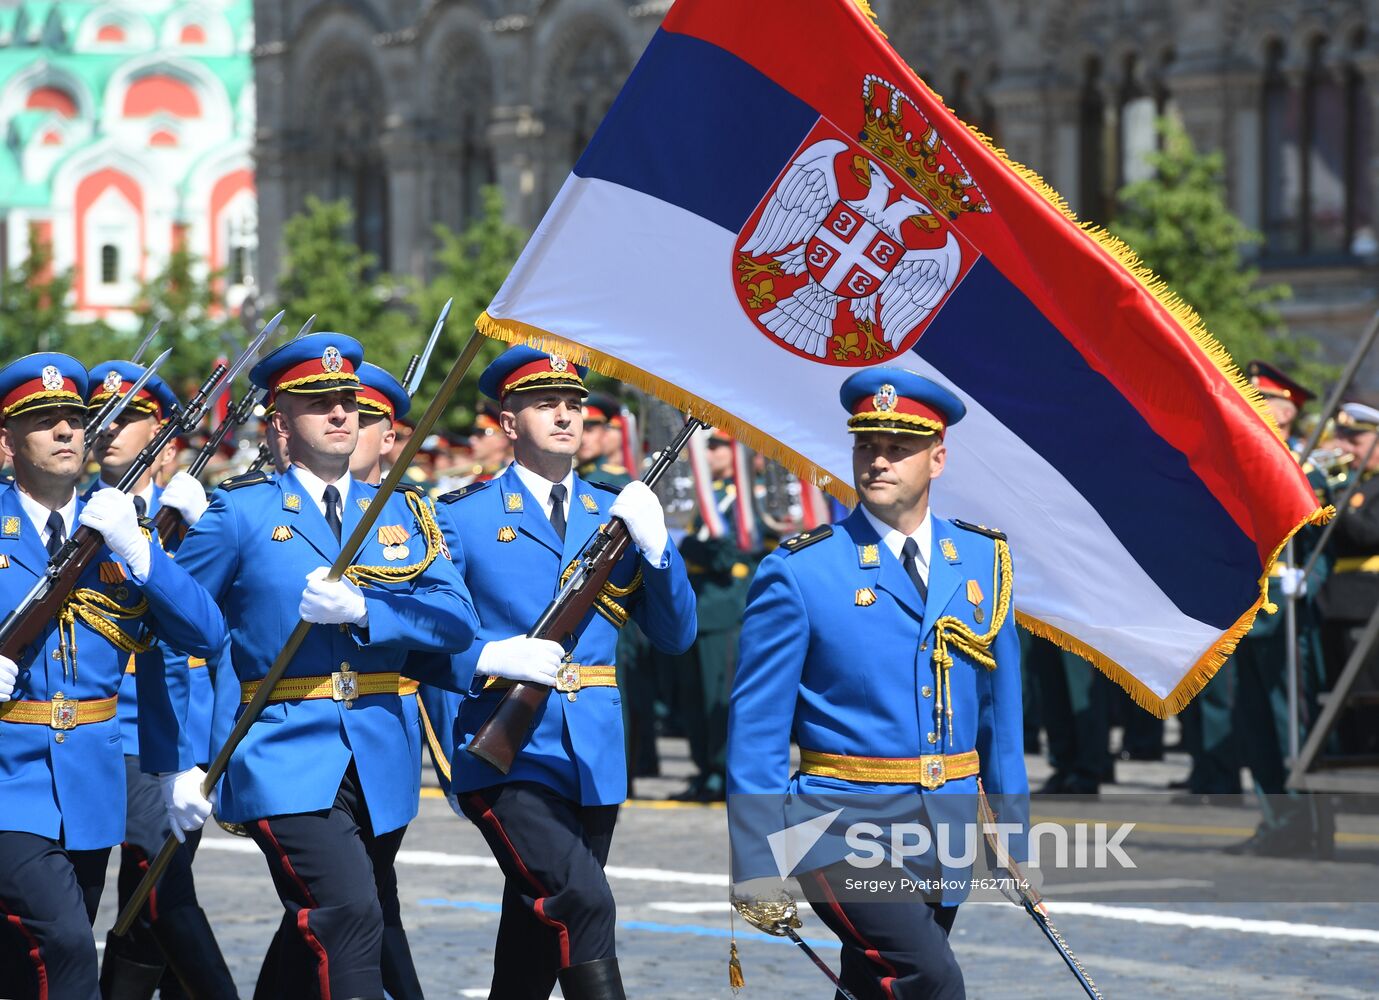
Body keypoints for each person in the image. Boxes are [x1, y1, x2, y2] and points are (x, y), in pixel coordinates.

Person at [135, 333, 478, 1000]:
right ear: (279, 422)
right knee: (348, 912)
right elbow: (172, 630)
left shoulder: (402, 512)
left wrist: (365, 610)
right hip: (281, 747)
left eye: (348, 400)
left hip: (380, 751)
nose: (341, 414)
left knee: (320, 925)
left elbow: (455, 622)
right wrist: (178, 760)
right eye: (318, 402)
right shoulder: (242, 512)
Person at [728, 368, 1028, 1000]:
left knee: (873, 987)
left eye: (900, 447)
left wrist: (1011, 828)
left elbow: (1001, 714)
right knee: (929, 979)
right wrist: (756, 862)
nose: (879, 460)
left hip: (942, 829)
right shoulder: (801, 570)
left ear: (938, 458)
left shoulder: (981, 560)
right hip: (833, 826)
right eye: (868, 444)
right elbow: (756, 729)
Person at [414, 345, 695, 1000]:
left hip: (591, 751)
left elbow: (675, 636)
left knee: (538, 930)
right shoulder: (461, 515)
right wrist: (486, 655)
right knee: (583, 902)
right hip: (504, 750)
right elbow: (426, 638)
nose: (565, 416)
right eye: (546, 405)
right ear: (509, 422)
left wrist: (658, 551)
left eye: (573, 405)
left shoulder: (616, 511)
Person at [0, 353, 226, 1000]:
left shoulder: (118, 526)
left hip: (91, 779)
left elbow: (205, 634)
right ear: (6, 441)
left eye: (74, 418)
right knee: (67, 946)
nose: (68, 431)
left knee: (22, 964)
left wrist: (141, 552)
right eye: (44, 421)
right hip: (7, 774)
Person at [83, 360, 238, 998]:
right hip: (98, 724)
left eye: (128, 420)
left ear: (166, 441)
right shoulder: (74, 512)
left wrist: (193, 536)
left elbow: (211, 621)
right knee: (115, 897)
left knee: (153, 887)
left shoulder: (197, 514)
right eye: (101, 419)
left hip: (173, 731)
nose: (108, 431)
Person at [1223, 361, 1333, 855]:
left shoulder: (1306, 470)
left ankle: (1309, 824)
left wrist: (1305, 580)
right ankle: (1275, 820)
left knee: (1292, 721)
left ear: (1286, 411)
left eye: (1262, 400)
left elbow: (1322, 544)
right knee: (1254, 722)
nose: (1253, 406)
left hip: (1287, 614)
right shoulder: (1241, 463)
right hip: (1248, 613)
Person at [673, 428, 764, 802]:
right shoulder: (709, 498)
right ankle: (704, 767)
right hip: (700, 606)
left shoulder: (750, 498)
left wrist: (683, 542)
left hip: (727, 608)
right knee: (695, 698)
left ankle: (723, 771)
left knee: (719, 697)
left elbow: (729, 555)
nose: (710, 453)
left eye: (717, 445)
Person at [1317, 400, 1379, 758]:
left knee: (1369, 696)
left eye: (1355, 443)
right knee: (1340, 699)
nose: (1347, 451)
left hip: (1368, 603)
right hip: (1336, 603)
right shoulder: (1347, 484)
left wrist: (1337, 502)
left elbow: (1369, 535)